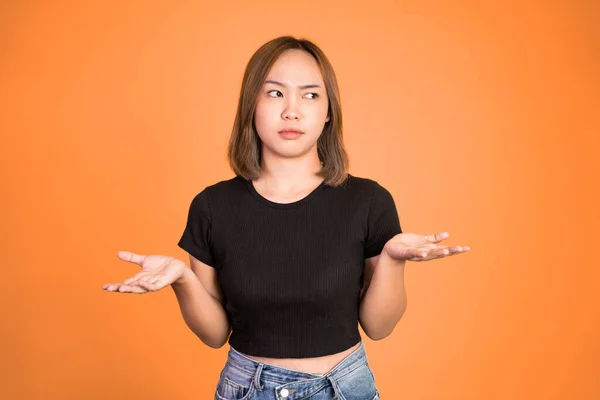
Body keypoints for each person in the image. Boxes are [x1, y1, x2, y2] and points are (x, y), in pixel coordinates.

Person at [102, 36, 470, 400]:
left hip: (345, 387)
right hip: (247, 389)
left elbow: (379, 327)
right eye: (275, 93)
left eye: (310, 95)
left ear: (328, 112)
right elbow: (214, 335)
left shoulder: (369, 200)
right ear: (251, 105)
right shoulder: (212, 207)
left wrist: (392, 258)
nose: (291, 110)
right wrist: (181, 279)